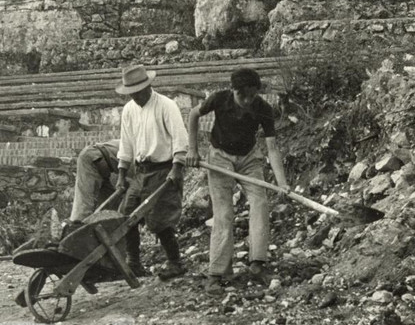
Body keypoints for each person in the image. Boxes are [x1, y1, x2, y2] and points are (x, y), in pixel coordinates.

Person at [68, 63, 188, 278]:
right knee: (126, 217)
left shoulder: (166, 106)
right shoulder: (130, 110)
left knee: (160, 219)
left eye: (138, 92)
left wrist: (177, 168)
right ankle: (134, 263)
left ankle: (175, 262)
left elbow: (180, 139)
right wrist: (122, 175)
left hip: (164, 168)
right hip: (140, 170)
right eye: (131, 93)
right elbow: (127, 145)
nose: (135, 97)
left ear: (147, 87)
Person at [186, 67, 288, 292]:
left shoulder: (262, 108)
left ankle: (257, 264)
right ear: (234, 90)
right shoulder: (219, 99)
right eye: (243, 95)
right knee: (224, 213)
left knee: (260, 203)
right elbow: (193, 115)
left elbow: (271, 148)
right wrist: (192, 150)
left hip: (249, 158)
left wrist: (282, 183)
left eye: (252, 95)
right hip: (219, 158)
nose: (247, 100)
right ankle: (217, 273)